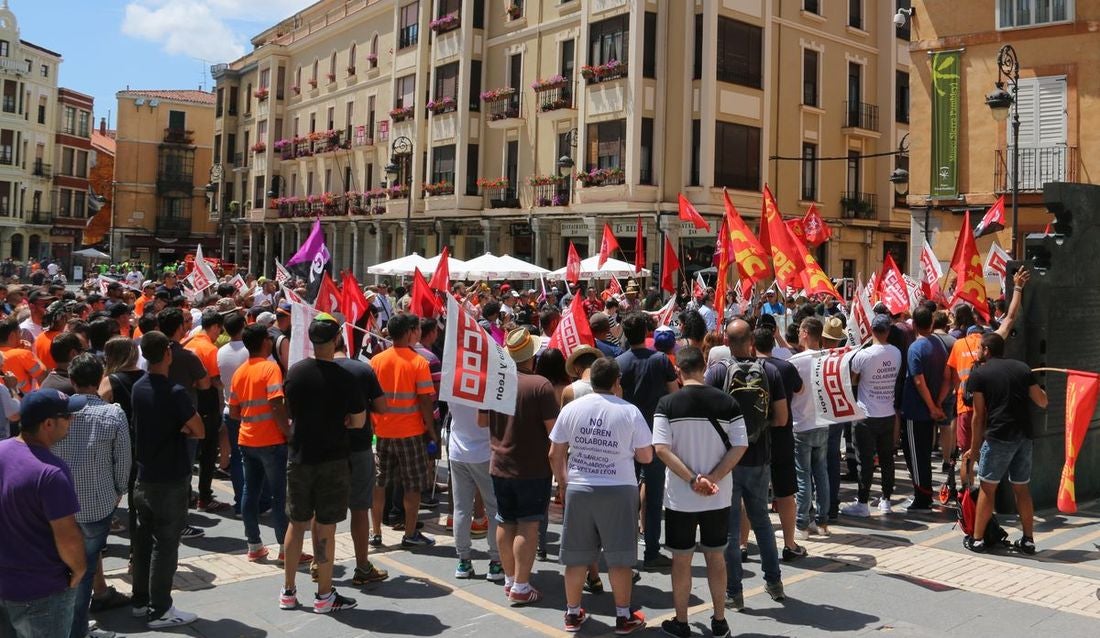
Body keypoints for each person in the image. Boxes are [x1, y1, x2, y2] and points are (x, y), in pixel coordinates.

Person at [549, 357, 651, 634]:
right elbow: (646, 455)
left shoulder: (572, 409)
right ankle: (622, 616)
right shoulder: (630, 411)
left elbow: (554, 454)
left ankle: (571, 613)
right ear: (617, 382)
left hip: (580, 487)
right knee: (620, 557)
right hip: (619, 488)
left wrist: (563, 483)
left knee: (576, 556)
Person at [654, 346, 748, 638]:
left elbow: (661, 449)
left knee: (681, 560)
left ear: (679, 371)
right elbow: (740, 445)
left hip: (680, 498)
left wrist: (694, 480)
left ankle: (681, 622)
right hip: (718, 495)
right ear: (704, 367)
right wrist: (713, 478)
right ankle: (720, 621)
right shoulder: (728, 403)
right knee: (715, 558)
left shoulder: (666, 404)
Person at [280, 313, 366, 613]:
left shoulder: (295, 372)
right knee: (326, 528)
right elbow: (358, 421)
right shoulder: (346, 378)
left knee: (296, 524)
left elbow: (288, 408)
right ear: (336, 340)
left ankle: (288, 591)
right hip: (332, 458)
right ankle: (324, 595)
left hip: (300, 455)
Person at [706, 319, 788, 610]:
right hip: (758, 457)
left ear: (726, 343)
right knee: (762, 523)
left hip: (726, 460)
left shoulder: (716, 372)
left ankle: (734, 592)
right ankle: (775, 582)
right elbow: (781, 419)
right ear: (752, 341)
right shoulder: (770, 371)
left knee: (729, 529)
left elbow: (707, 419)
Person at [50, 354, 131, 638]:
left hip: (60, 505)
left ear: (72, 381)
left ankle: (69, 626)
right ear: (101, 378)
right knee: (83, 570)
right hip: (98, 505)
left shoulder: (59, 413)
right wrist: (117, 492)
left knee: (65, 567)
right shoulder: (113, 413)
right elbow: (123, 461)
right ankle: (77, 630)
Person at [130, 331, 205, 628]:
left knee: (144, 542)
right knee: (165, 544)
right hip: (169, 477)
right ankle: (160, 609)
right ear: (168, 354)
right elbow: (198, 429)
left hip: (144, 475)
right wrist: (183, 430)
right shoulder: (175, 392)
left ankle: (140, 601)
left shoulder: (138, 387)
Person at [0, 389, 88, 638]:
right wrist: (80, 570)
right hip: (41, 592)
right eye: (67, 416)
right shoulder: (51, 473)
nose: (72, 421)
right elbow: (68, 536)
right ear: (48, 423)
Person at [486, 327, 559, 605]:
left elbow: (483, 422)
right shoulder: (540, 385)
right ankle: (521, 584)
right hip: (531, 467)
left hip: (499, 462)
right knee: (528, 525)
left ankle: (510, 578)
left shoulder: (496, 381)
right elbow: (554, 430)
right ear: (532, 355)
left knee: (506, 520)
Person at [963, 332, 1047, 554]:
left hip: (998, 436)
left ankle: (978, 539)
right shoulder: (1022, 368)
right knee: (1021, 488)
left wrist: (974, 447)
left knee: (987, 489)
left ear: (987, 351)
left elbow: (978, 416)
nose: (978, 351)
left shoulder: (979, 375)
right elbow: (1042, 401)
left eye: (980, 347)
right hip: (1023, 437)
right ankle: (1028, 540)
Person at [616, 312, 679, 571]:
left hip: (626, 438)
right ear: (646, 334)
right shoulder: (661, 360)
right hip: (655, 436)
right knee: (653, 497)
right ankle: (652, 551)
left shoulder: (618, 362)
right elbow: (675, 394)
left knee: (626, 495)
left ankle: (626, 551)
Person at [228, 324, 295, 563]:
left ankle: (254, 545)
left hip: (247, 439)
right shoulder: (270, 368)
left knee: (250, 492)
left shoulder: (240, 372)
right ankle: (286, 549)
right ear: (265, 342)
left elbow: (234, 411)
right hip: (271, 441)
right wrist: (288, 432)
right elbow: (277, 404)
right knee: (279, 496)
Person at [371, 313, 439, 548]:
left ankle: (376, 532)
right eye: (417, 329)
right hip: (410, 433)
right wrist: (431, 430)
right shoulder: (418, 362)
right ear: (410, 332)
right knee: (413, 485)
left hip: (382, 432)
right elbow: (425, 400)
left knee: (379, 483)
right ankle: (410, 533)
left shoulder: (376, 361)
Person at [332, 333, 390, 585]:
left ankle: (318, 563)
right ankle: (362, 567)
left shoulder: (306, 369)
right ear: (342, 339)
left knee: (323, 511)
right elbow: (382, 407)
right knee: (359, 508)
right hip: (358, 447)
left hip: (325, 449)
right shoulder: (361, 369)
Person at [753, 327, 805, 560]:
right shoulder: (785, 367)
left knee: (750, 493)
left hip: (752, 438)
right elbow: (801, 389)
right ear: (772, 345)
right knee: (785, 493)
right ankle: (789, 543)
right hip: (782, 435)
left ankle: (743, 546)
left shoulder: (742, 369)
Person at [842, 314, 902, 517]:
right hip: (887, 414)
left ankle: (863, 502)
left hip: (866, 415)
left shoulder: (864, 355)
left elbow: (853, 379)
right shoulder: (896, 352)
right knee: (887, 459)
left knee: (865, 461)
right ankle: (885, 499)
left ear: (872, 330)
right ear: (888, 331)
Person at [900, 307, 948, 512]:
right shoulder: (940, 344)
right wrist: (938, 404)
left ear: (915, 325)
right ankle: (924, 493)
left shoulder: (915, 348)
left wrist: (931, 405)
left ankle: (922, 497)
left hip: (916, 410)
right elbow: (948, 377)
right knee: (923, 453)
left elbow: (918, 381)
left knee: (914, 454)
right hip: (931, 409)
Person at [788, 317, 831, 537]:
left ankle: (802, 524)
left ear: (805, 333)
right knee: (820, 473)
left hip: (802, 424)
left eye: (799, 331)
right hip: (822, 422)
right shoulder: (829, 358)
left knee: (803, 476)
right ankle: (822, 522)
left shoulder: (795, 361)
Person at [185, 308, 230, 513]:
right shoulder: (209, 348)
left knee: (190, 450)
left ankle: (189, 495)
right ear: (213, 327)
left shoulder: (189, 341)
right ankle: (204, 496)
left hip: (189, 402)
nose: (219, 333)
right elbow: (214, 379)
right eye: (219, 329)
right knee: (208, 452)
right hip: (207, 403)